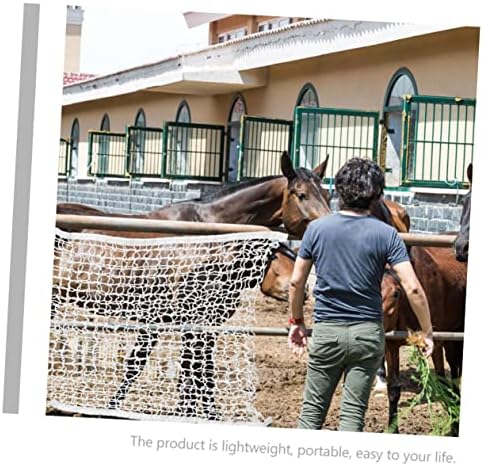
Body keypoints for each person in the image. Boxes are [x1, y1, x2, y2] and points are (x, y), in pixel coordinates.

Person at [288, 158, 434, 432]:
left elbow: (296, 282)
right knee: (353, 417)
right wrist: (426, 330)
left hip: (327, 331)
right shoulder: (387, 234)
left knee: (310, 416)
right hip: (367, 334)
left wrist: (296, 322)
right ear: (376, 194)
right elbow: (413, 287)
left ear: (338, 190)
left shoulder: (316, 230)